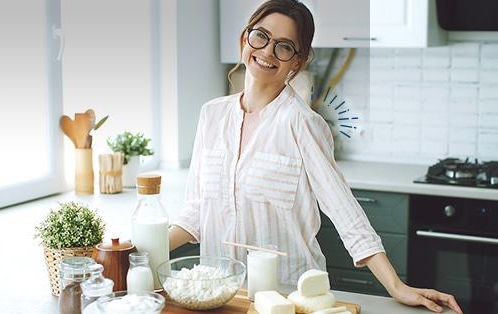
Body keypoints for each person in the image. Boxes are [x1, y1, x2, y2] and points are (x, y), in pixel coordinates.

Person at [168, 0, 463, 313]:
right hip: (218, 295)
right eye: (261, 36)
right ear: (245, 38)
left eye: (284, 46)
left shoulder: (303, 124)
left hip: (289, 299)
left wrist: (396, 286)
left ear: (298, 60)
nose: (267, 52)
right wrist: (135, 249)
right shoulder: (211, 115)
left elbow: (345, 212)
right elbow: (197, 211)